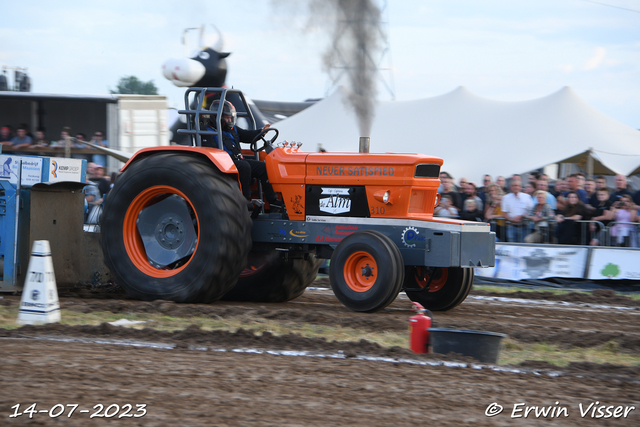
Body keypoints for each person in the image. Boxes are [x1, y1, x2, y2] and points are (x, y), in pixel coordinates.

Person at [202, 100, 281, 209]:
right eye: (227, 118)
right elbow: (211, 152)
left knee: (263, 167)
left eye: (231, 118)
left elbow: (247, 136)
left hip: (236, 161)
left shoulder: (232, 129)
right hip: (222, 164)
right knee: (244, 166)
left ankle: (272, 201)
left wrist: (261, 131)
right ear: (217, 117)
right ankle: (245, 201)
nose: (230, 120)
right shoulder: (207, 132)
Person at [501, 175, 533, 243]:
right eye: (514, 185)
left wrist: (521, 216)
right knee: (512, 246)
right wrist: (512, 219)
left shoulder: (527, 197)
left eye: (517, 185)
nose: (516, 187)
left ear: (521, 187)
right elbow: (504, 213)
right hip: (511, 226)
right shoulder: (506, 198)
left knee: (523, 247)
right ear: (510, 187)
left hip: (524, 226)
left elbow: (531, 211)